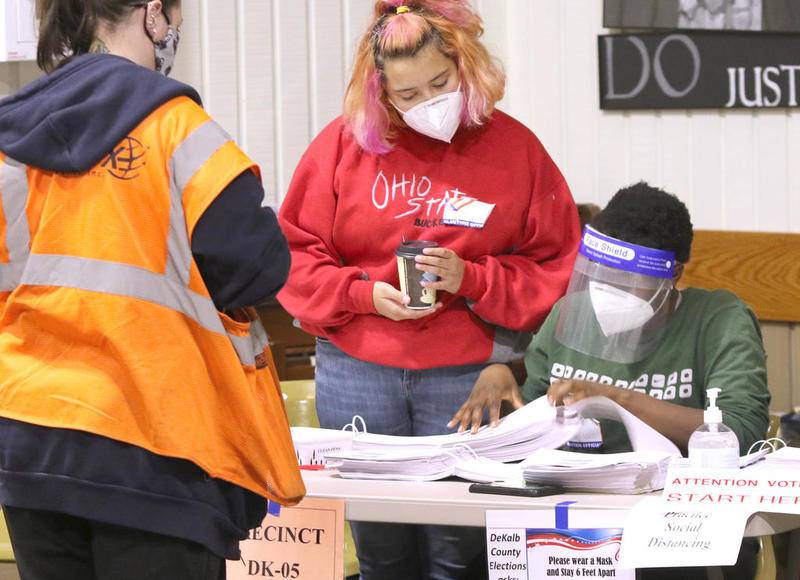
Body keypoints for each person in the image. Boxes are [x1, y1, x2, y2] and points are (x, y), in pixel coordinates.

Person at [0, 1, 304, 578]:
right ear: (154, 16)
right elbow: (255, 268)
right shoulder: (175, 125)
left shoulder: (14, 134)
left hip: (31, 437)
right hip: (154, 440)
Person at [277, 1, 580, 577]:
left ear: (466, 63)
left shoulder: (516, 149)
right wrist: (365, 293)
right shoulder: (344, 146)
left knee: (459, 553)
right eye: (406, 95)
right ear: (378, 91)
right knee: (380, 550)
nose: (426, 105)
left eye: (440, 83)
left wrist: (474, 278)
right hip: (357, 368)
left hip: (467, 376)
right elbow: (294, 257)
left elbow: (557, 267)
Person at [452, 182, 770, 578]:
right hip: (570, 520)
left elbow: (740, 429)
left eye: (630, 277)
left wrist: (619, 398)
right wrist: (501, 378)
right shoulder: (572, 311)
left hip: (675, 528)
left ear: (673, 274)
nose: (610, 290)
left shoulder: (719, 318)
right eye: (602, 274)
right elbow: (533, 420)